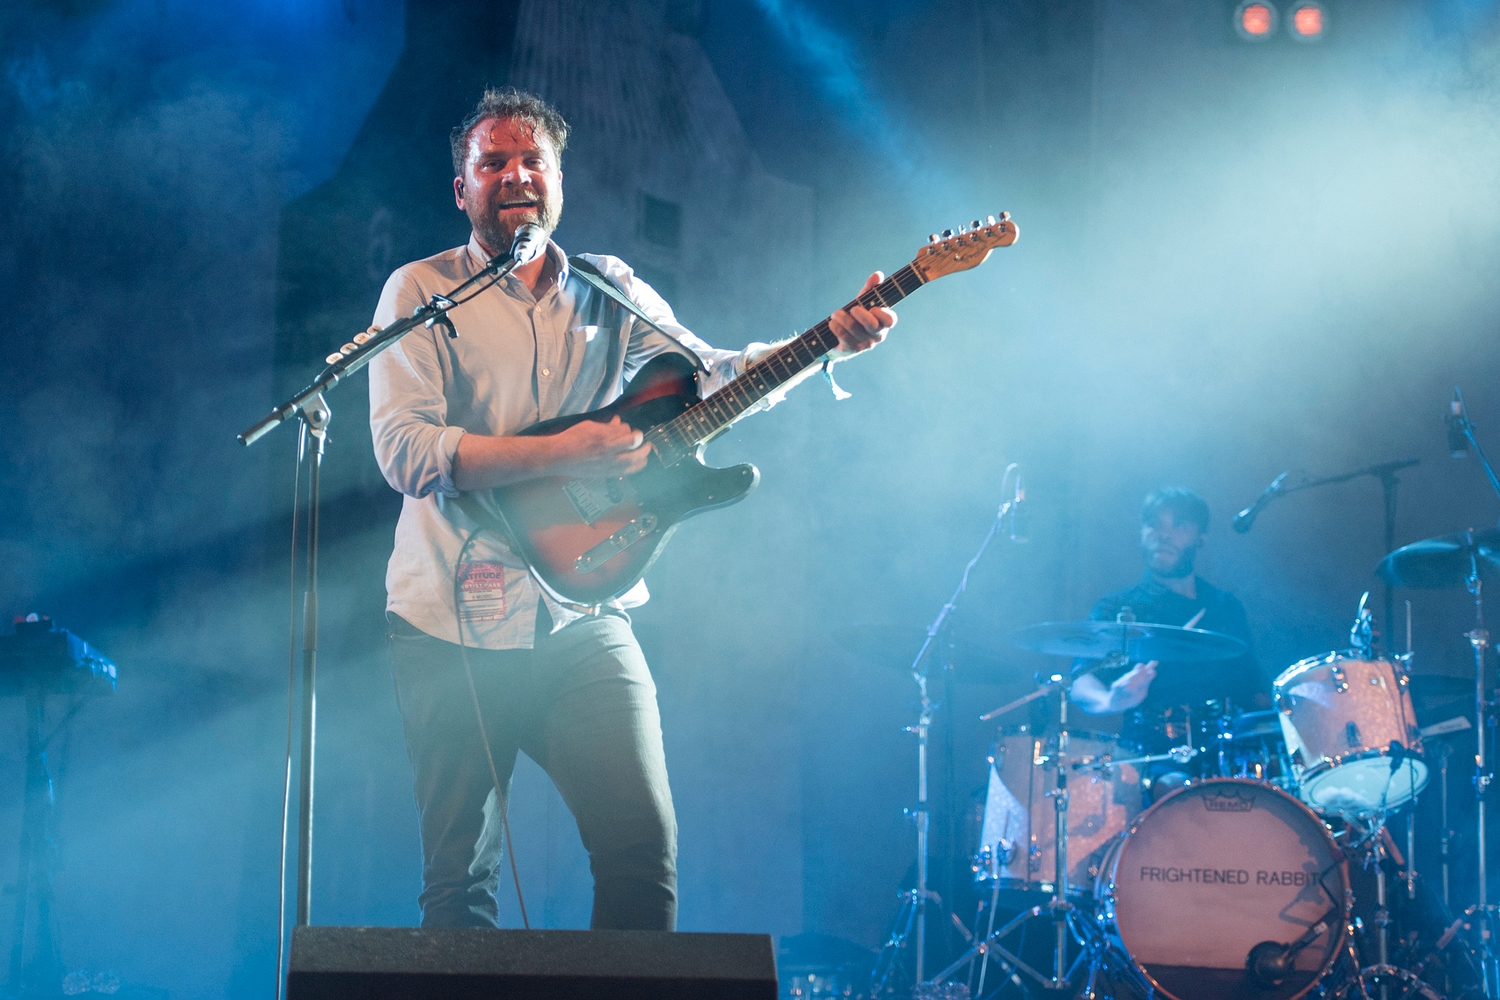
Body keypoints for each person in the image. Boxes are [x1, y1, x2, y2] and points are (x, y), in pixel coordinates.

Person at [366, 87, 896, 930]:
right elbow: (407, 452)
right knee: (459, 887)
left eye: (533, 159)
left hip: (582, 612)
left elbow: (712, 377)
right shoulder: (419, 290)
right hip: (451, 621)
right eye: (493, 162)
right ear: (460, 189)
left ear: (559, 179)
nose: (517, 175)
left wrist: (825, 338)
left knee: (641, 856)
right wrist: (562, 453)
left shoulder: (609, 288)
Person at [1070, 488, 1266, 788]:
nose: (1164, 534)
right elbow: (1081, 683)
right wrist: (1110, 699)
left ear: (1201, 538)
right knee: (1175, 789)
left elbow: (1255, 691)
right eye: (1153, 524)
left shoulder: (1225, 607)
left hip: (1230, 754)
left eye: (1179, 525)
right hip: (1152, 757)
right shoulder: (1117, 608)